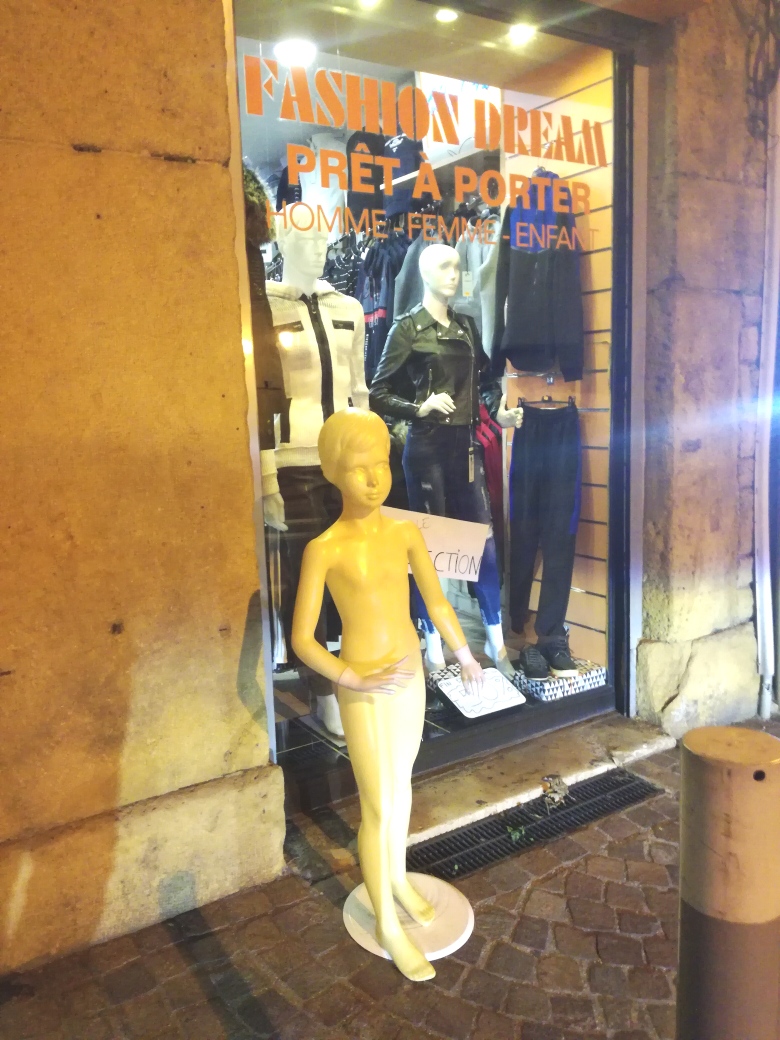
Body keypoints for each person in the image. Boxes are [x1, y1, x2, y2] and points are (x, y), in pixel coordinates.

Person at [292, 409, 484, 982]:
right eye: (359, 468)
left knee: (401, 791)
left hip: (409, 678)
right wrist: (349, 678)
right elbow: (302, 638)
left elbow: (437, 599)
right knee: (379, 804)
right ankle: (386, 924)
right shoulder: (324, 548)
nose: (375, 479)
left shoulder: (404, 533)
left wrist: (464, 653)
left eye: (381, 465)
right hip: (367, 686)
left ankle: (396, 879)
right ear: (334, 472)